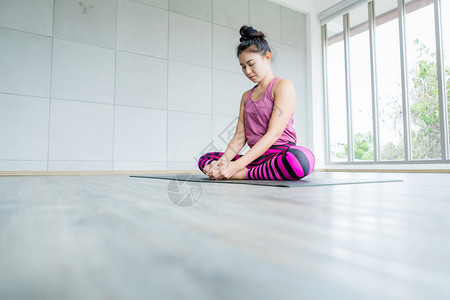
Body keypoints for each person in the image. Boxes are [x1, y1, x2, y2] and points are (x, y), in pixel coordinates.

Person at [198, 25, 315, 180]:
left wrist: (235, 167)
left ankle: (242, 174)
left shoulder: (283, 86)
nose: (247, 71)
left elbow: (274, 134)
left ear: (267, 57)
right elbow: (240, 136)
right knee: (206, 159)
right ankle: (243, 172)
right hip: (254, 159)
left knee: (301, 160)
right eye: (243, 67)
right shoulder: (246, 96)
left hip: (279, 157)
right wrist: (223, 163)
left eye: (251, 64)